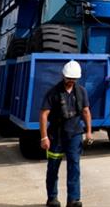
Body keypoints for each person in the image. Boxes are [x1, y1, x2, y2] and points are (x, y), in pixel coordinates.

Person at [39, 60, 93, 207]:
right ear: (63, 75)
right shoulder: (53, 93)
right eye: (69, 78)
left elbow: (86, 111)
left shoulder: (81, 91)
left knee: (74, 166)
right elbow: (44, 114)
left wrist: (88, 132)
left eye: (73, 79)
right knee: (53, 167)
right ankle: (52, 198)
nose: (71, 81)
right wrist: (44, 137)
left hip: (75, 135)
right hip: (56, 136)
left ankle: (73, 199)